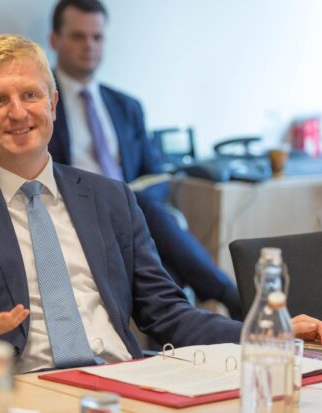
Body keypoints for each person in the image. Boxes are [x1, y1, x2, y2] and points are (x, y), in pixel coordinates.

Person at [0, 34, 322, 378]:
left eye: (31, 95)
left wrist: (261, 334)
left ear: (53, 104)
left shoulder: (110, 197)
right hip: (23, 390)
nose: (19, 113)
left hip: (122, 384)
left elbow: (168, 313)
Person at [47, 0, 243, 319]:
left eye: (97, 38)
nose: (90, 46)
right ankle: (227, 296)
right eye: (78, 37)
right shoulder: (41, 106)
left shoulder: (126, 106)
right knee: (144, 211)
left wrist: (129, 205)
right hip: (75, 210)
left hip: (130, 214)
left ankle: (184, 330)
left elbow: (157, 176)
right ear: (55, 41)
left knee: (147, 220)